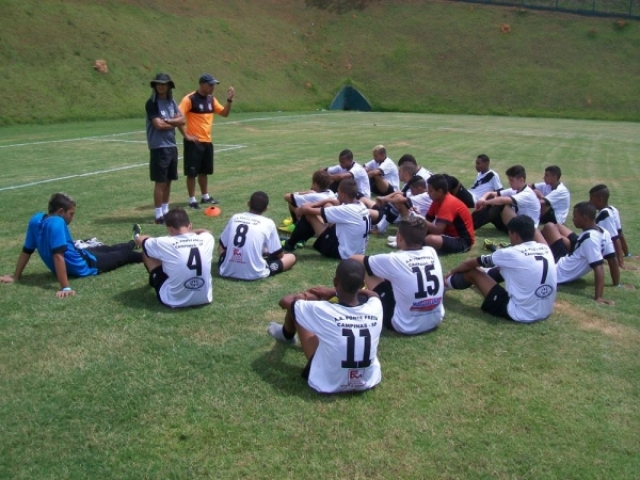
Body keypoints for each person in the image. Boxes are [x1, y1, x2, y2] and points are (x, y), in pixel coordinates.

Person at [268, 259, 383, 394]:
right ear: (362, 284)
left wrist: (306, 295)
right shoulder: (375, 307)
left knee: (297, 309)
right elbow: (374, 295)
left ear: (335, 282)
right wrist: (337, 292)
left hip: (328, 381)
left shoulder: (324, 310)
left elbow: (285, 301)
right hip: (366, 380)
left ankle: (286, 335)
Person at [0, 193, 142, 297]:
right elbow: (58, 256)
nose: (72, 218)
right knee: (125, 256)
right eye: (71, 214)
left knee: (107, 248)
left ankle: (134, 242)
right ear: (61, 211)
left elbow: (26, 251)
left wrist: (16, 276)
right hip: (88, 265)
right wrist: (65, 288)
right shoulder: (57, 223)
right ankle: (148, 252)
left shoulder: (36, 220)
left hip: (82, 254)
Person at [445, 215, 557, 323]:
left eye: (510, 234)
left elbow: (470, 263)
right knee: (504, 268)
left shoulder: (511, 253)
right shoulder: (545, 248)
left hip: (520, 313)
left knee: (473, 272)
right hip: (545, 311)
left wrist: (452, 271)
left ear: (515, 235)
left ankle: (443, 286)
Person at [351, 216, 445, 334]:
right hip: (435, 320)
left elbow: (353, 259)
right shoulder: (431, 252)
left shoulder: (394, 259)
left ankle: (351, 296)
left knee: (365, 267)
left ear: (399, 237)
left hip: (404, 325)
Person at [134, 207, 213, 308]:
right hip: (204, 298)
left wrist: (137, 237)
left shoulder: (165, 242)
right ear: (190, 226)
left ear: (170, 229)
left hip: (174, 300)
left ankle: (154, 279)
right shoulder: (207, 239)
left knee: (147, 249)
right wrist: (189, 233)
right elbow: (206, 231)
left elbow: (141, 240)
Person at [541, 201, 618, 304]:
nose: (573, 219)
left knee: (547, 227)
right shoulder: (603, 232)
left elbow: (599, 267)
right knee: (557, 226)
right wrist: (617, 284)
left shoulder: (590, 240)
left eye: (575, 216)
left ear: (585, 217)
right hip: (572, 255)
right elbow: (612, 259)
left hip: (558, 268)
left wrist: (598, 297)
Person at [178, 73, 235, 208]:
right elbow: (177, 117)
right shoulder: (189, 99)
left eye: (213, 85)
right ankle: (192, 199)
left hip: (207, 141)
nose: (212, 87)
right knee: (192, 173)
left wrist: (229, 100)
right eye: (210, 85)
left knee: (204, 171)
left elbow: (224, 113)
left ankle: (205, 196)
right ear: (202, 84)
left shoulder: (211, 100)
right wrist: (186, 135)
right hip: (194, 143)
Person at [282, 179, 370, 259]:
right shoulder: (360, 205)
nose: (337, 194)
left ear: (343, 195)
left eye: (338, 192)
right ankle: (300, 239)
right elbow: (333, 202)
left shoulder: (346, 210)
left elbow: (308, 210)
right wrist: (316, 204)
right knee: (327, 205)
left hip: (343, 253)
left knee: (309, 215)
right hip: (356, 251)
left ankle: (290, 244)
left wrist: (306, 206)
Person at [218, 191, 296, 280]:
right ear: (266, 209)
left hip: (226, 270)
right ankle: (263, 267)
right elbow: (279, 255)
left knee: (221, 246)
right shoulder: (268, 223)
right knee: (291, 257)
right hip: (254, 274)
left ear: (248, 203)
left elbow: (222, 245)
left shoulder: (235, 217)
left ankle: (229, 264)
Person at [145, 73, 185, 224]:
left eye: (164, 84)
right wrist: (174, 122)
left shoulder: (171, 102)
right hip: (159, 147)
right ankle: (158, 215)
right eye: (158, 84)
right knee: (160, 182)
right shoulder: (152, 103)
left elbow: (183, 119)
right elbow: (158, 125)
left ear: (169, 86)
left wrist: (168, 121)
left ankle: (165, 210)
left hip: (171, 145)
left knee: (169, 181)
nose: (161, 86)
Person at [472, 164, 541, 234]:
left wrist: (485, 202)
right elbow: (491, 193)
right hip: (516, 224)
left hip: (525, 229)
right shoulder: (515, 190)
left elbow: (503, 200)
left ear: (521, 180)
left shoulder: (527, 193)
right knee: (492, 200)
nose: (509, 183)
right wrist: (483, 199)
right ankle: (468, 222)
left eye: (511, 180)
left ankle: (471, 227)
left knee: (500, 204)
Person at [423, 174, 475, 254]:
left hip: (463, 241)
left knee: (431, 239)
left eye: (430, 191)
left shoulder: (448, 203)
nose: (427, 193)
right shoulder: (437, 201)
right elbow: (428, 220)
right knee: (415, 231)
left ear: (440, 192)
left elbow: (437, 230)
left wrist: (420, 220)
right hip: (447, 235)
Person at [589, 184, 631, 269]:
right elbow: (620, 234)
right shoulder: (613, 210)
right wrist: (627, 253)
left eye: (591, 199)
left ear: (600, 199)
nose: (589, 201)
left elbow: (616, 239)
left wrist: (620, 263)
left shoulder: (605, 215)